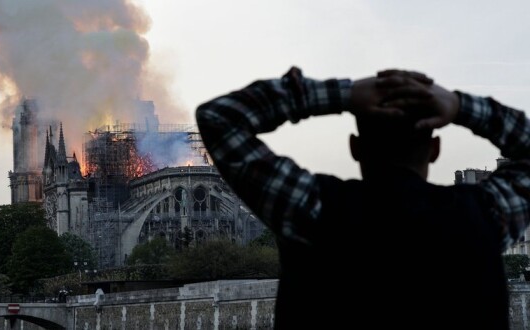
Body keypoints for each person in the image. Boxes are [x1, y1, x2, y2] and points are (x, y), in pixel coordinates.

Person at [195, 67, 530, 329]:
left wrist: (342, 94)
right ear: (435, 150)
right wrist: (459, 106)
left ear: (354, 147)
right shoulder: (485, 215)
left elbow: (219, 118)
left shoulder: (311, 208)